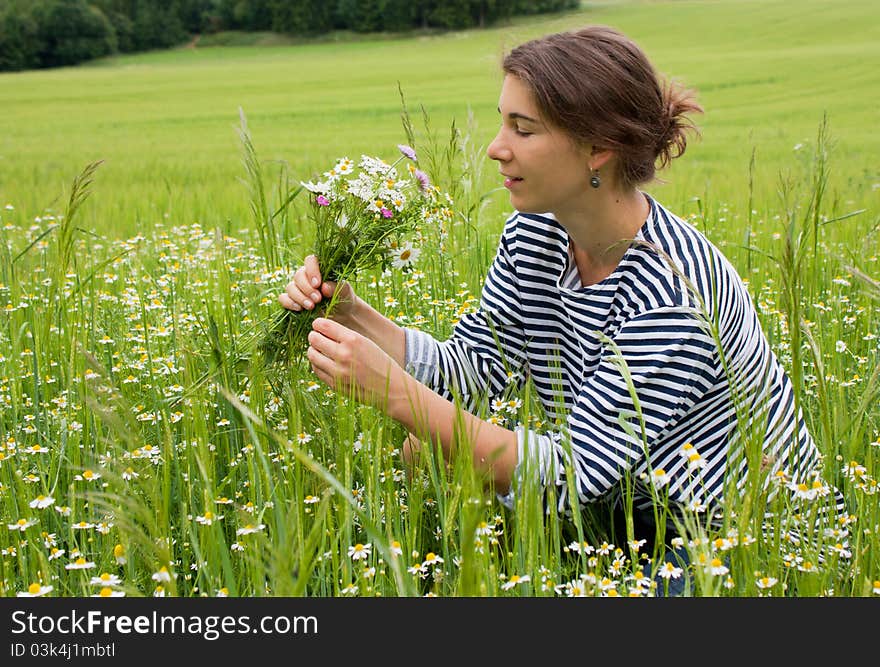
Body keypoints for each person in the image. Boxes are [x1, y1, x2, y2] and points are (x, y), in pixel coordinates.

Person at [279, 25, 845, 595]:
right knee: (427, 451)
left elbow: (570, 475)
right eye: (503, 122)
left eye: (522, 129)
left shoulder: (673, 293)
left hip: (740, 543)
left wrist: (398, 395)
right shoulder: (535, 233)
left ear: (598, 148)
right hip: (627, 512)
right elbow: (476, 368)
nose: (496, 147)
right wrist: (355, 314)